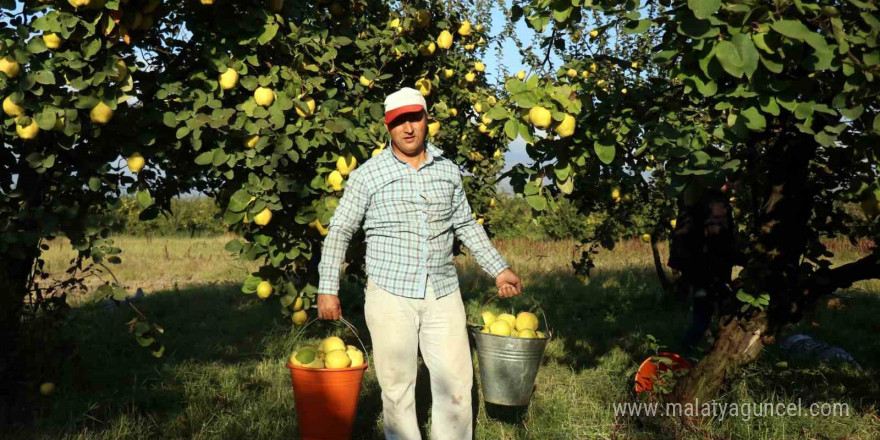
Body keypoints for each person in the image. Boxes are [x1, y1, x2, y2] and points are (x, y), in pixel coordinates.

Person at [316, 87, 523, 440]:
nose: (408, 128)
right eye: (399, 121)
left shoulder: (447, 171)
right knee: (397, 387)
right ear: (388, 127)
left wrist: (499, 268)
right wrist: (327, 289)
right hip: (389, 293)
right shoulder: (368, 175)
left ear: (427, 119)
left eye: (415, 118)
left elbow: (466, 225)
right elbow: (340, 230)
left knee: (456, 382)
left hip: (442, 290)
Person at [669, 189, 741, 358]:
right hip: (707, 274)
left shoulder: (698, 203)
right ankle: (684, 356)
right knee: (704, 316)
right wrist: (743, 258)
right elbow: (720, 241)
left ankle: (700, 353)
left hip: (703, 272)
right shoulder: (716, 205)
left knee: (712, 313)